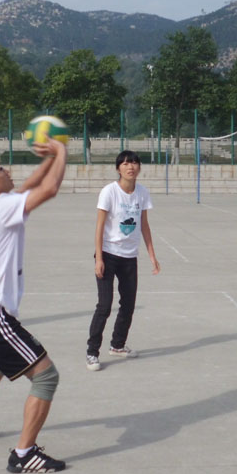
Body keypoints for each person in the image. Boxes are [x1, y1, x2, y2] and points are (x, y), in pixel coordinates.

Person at [0, 139, 69, 473]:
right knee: (46, 376)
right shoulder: (0, 209)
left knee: (4, 360)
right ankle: (24, 454)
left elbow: (30, 185)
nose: (6, 171)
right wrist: (62, 152)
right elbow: (48, 190)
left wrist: (49, 159)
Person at [86, 151, 160, 371]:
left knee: (128, 305)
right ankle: (92, 352)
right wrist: (99, 258)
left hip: (129, 257)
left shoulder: (142, 193)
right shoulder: (109, 192)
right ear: (118, 168)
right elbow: (100, 227)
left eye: (134, 163)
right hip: (108, 254)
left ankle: (117, 345)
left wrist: (152, 256)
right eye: (126, 163)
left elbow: (144, 225)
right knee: (104, 305)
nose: (131, 167)